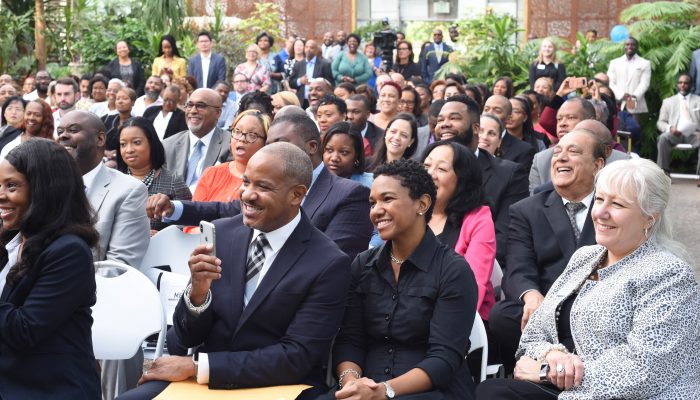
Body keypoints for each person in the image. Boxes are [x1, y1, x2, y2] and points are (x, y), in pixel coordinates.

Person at [119, 142, 351, 399]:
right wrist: (197, 295)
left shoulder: (328, 262)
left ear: (296, 195)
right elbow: (182, 339)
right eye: (247, 182)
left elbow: (297, 357)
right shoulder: (223, 233)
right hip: (203, 384)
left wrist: (199, 367)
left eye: (263, 187)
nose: (247, 195)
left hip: (278, 387)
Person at [479, 157, 700, 399]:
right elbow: (534, 333)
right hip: (572, 387)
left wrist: (547, 372)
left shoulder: (669, 275)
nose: (601, 213)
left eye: (618, 205)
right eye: (600, 199)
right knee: (491, 390)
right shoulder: (586, 257)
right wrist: (552, 355)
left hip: (620, 394)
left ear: (650, 217)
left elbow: (644, 372)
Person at [323, 159, 478, 400]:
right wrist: (352, 383)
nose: (376, 210)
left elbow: (444, 359)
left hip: (431, 391)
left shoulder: (453, 270)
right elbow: (350, 340)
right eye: (372, 203)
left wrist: (384, 391)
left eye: (387, 199)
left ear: (422, 204)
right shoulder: (363, 265)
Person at [147, 113, 373, 260]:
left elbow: (333, 261)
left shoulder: (350, 196)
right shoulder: (266, 187)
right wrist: (174, 208)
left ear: (312, 146)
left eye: (280, 144)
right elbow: (223, 210)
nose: (270, 152)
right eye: (268, 144)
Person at [489, 129, 604, 376]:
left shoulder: (610, 207)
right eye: (557, 151)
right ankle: (553, 369)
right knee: (502, 315)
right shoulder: (526, 210)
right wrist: (531, 296)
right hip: (548, 309)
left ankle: (559, 372)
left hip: (600, 307)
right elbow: (518, 267)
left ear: (597, 164)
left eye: (573, 151)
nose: (560, 157)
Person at [56, 110, 150, 397]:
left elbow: (119, 268)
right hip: (46, 306)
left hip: (104, 305)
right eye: (60, 130)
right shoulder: (46, 186)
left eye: (72, 129)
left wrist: (57, 292)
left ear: (99, 139)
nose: (62, 136)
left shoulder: (128, 191)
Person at [0, 138, 101, 399]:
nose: (1, 195)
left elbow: (24, 331)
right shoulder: (14, 241)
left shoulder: (69, 252)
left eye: (11, 186)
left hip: (46, 389)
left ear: (43, 190)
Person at [435, 95, 528, 270]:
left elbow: (506, 238)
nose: (444, 124)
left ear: (476, 127)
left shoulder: (509, 174)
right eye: (440, 120)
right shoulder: (424, 170)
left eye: (454, 118)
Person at [422, 141, 496, 322]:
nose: (430, 174)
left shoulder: (478, 218)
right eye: (426, 165)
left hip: (460, 320)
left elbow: (472, 286)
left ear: (462, 179)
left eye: (441, 169)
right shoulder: (410, 212)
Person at [116, 117, 191, 232]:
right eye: (123, 144)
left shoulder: (173, 182)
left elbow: (188, 225)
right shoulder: (112, 181)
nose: (129, 150)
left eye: (136, 142)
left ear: (151, 143)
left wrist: (162, 236)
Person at [162, 88, 232, 193]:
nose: (193, 111)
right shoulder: (168, 145)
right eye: (189, 105)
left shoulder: (230, 145)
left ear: (217, 113)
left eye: (201, 106)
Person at [194, 109, 270, 202]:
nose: (242, 139)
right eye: (237, 131)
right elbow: (195, 211)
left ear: (265, 143)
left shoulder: (267, 181)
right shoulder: (212, 173)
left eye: (252, 135)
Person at [529, 97, 597, 194]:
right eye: (559, 119)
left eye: (571, 117)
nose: (562, 124)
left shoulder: (617, 159)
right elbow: (533, 204)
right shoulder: (541, 160)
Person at [656, 73, 700, 182]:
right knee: (663, 138)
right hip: (675, 134)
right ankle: (663, 173)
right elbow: (660, 122)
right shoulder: (668, 102)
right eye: (680, 83)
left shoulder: (698, 100)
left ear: (691, 85)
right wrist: (670, 128)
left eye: (686, 83)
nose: (683, 85)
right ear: (677, 85)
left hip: (695, 134)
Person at [483, 94, 536, 171]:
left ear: (508, 118)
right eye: (486, 109)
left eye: (497, 111)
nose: (489, 113)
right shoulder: (470, 141)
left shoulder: (524, 150)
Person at [607, 37, 651, 122]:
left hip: (635, 104)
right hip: (617, 102)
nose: (630, 47)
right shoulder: (614, 63)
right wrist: (621, 95)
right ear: (624, 47)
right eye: (627, 44)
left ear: (637, 47)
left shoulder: (645, 63)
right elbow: (610, 82)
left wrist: (633, 96)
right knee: (617, 130)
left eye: (633, 45)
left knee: (633, 130)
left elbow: (645, 83)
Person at [322, 121, 373, 188]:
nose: (334, 158)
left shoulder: (371, 184)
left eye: (344, 152)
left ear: (357, 155)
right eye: (329, 150)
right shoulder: (312, 180)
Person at [289, 39, 335, 108]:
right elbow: (291, 82)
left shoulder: (324, 64)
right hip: (302, 101)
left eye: (311, 47)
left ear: (316, 50)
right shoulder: (298, 65)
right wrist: (300, 81)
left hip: (319, 101)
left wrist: (316, 82)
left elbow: (330, 83)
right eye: (307, 47)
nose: (308, 49)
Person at [103, 87, 137, 151]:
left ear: (133, 102)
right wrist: (106, 152)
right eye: (117, 99)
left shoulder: (137, 123)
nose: (120, 101)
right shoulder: (105, 120)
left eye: (125, 99)